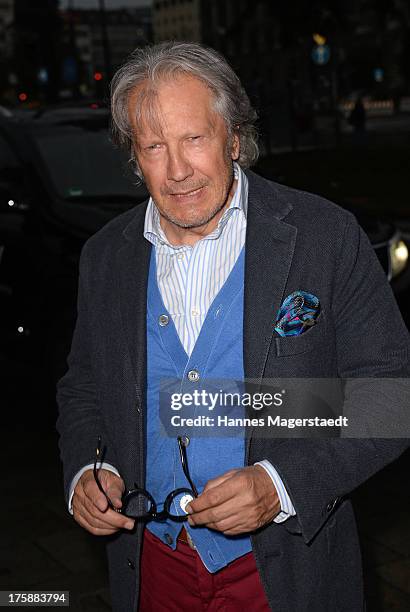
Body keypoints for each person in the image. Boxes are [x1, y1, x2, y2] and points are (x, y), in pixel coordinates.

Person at [57, 42, 409, 612]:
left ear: (235, 137)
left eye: (194, 138)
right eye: (153, 147)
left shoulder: (324, 238)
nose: (176, 171)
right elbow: (85, 386)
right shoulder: (105, 257)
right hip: (151, 567)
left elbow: (390, 397)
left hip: (286, 571)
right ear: (134, 159)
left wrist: (279, 484)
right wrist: (89, 469)